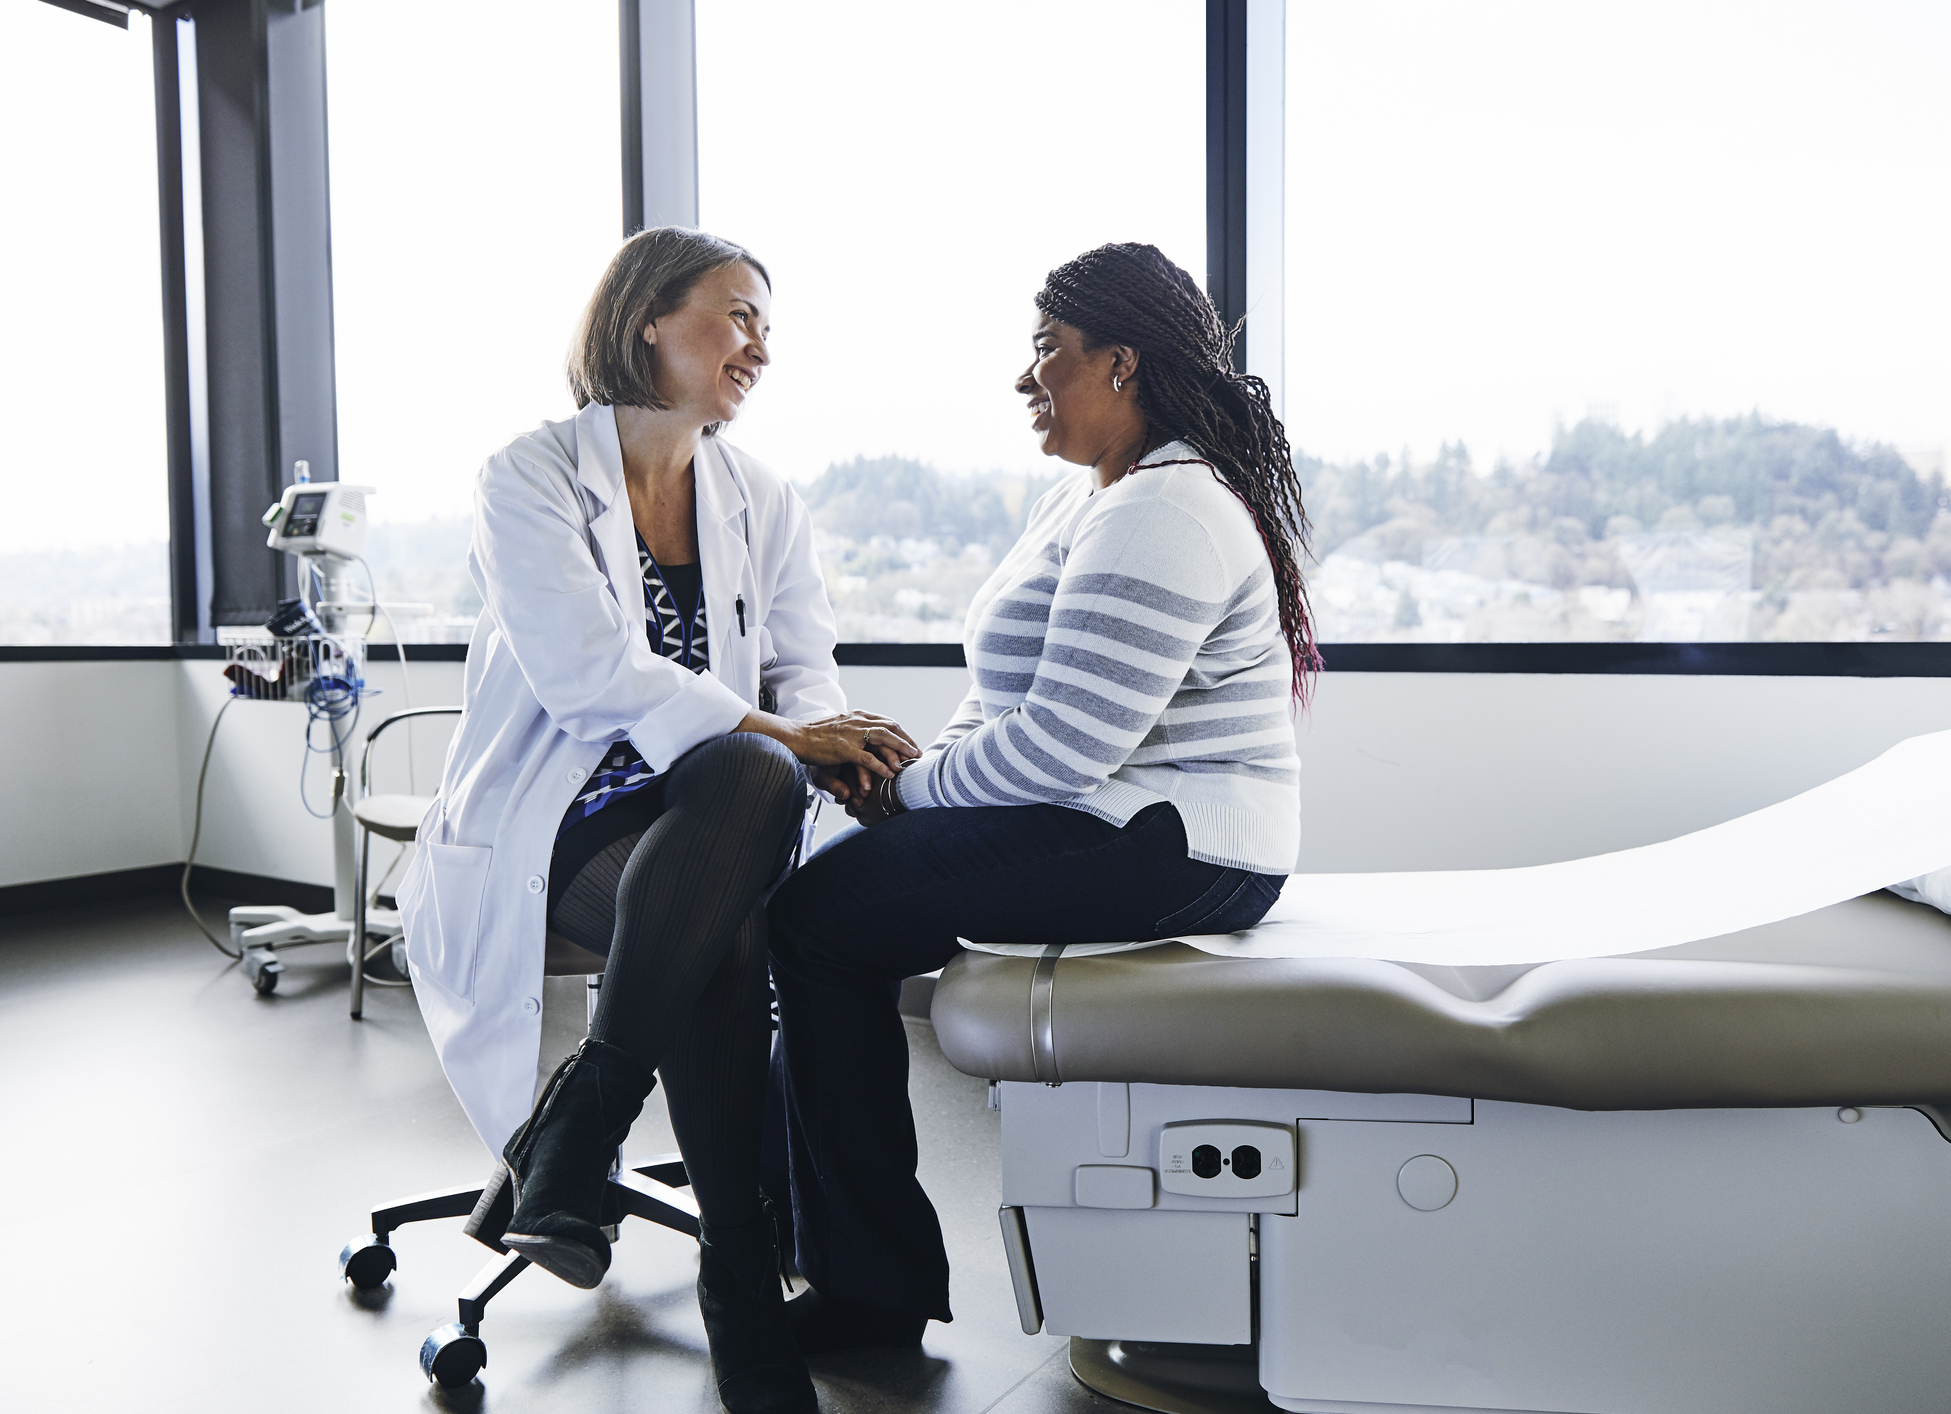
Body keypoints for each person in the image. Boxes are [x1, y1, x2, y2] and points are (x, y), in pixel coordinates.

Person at [399, 227, 918, 1414]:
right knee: (740, 832)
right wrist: (790, 740)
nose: (759, 350)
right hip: (555, 823)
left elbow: (807, 666)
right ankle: (736, 1269)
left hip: (707, 816)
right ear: (647, 319)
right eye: (738, 317)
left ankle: (585, 1122)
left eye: (767, 329)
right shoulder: (529, 475)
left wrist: (835, 736)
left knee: (744, 793)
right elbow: (589, 673)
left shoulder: (761, 493)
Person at [765, 241, 1316, 1352]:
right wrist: (901, 779)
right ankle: (827, 1250)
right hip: (1113, 821)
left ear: (1120, 363)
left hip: (1177, 845)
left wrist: (908, 795)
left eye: (1045, 353)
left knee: (819, 924)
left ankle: (867, 1292)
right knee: (825, 903)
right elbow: (1004, 708)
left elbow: (1064, 746)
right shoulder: (1091, 502)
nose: (1027, 380)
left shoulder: (1166, 510)